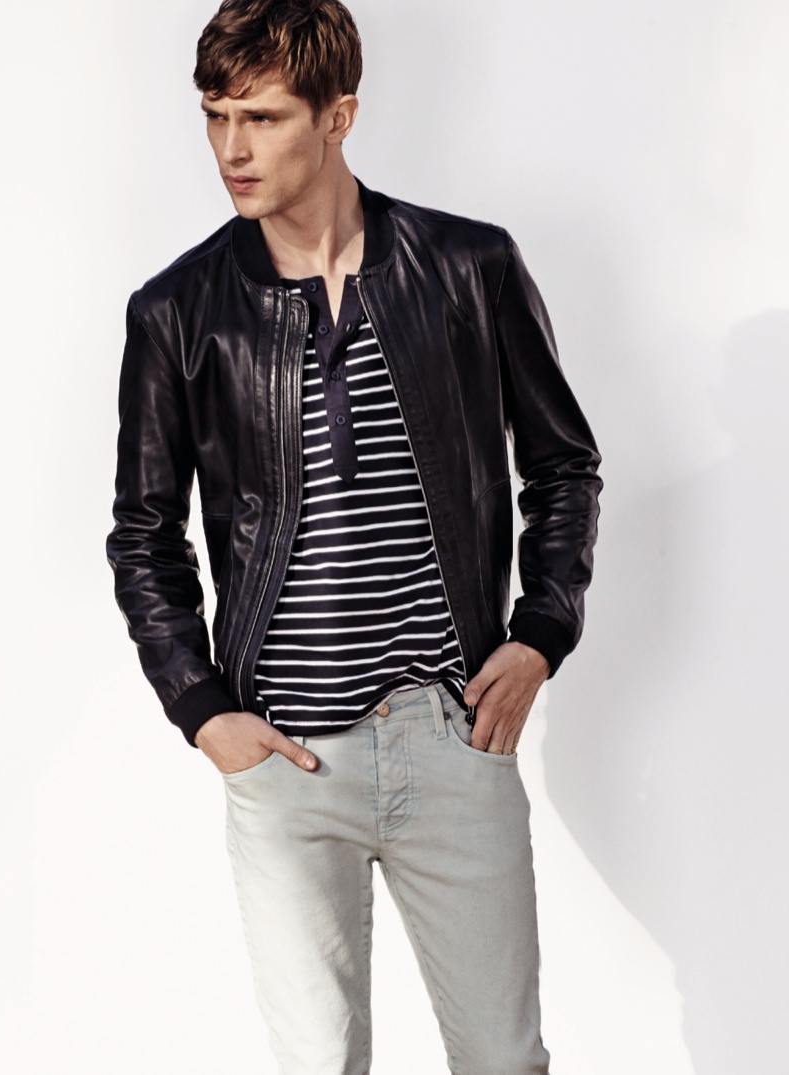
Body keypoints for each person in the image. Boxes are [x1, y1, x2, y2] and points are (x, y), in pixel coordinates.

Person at [106, 1, 602, 1071]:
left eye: (263, 117)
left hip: (450, 734)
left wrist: (539, 634)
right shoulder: (178, 311)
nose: (231, 148)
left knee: (503, 1059)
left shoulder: (466, 267)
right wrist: (203, 711)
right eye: (215, 115)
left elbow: (562, 465)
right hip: (285, 758)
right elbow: (144, 534)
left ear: (338, 116)